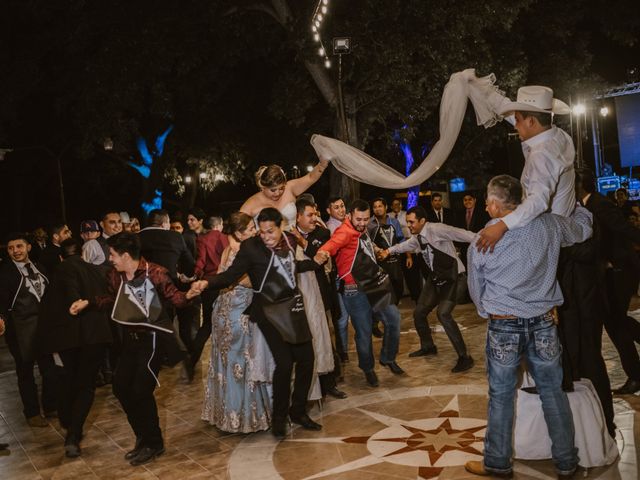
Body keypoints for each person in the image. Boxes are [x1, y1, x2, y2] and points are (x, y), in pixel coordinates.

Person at [464, 175, 590, 478]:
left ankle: (497, 463)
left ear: (494, 205)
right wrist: (581, 205)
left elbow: (475, 289)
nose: (484, 205)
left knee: (501, 397)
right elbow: (583, 231)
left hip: (504, 326)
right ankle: (566, 463)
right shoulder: (549, 224)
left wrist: (490, 312)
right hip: (544, 323)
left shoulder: (482, 238)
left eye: (486, 201)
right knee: (553, 394)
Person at [69, 233, 205, 466]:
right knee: (121, 388)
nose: (110, 259)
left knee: (141, 390)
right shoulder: (115, 276)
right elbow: (110, 300)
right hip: (129, 340)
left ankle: (154, 442)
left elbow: (176, 299)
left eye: (112, 254)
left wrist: (190, 294)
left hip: (153, 339)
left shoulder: (156, 273)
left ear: (124, 255)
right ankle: (142, 438)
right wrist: (88, 302)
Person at [201, 208, 325, 438]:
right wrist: (206, 284)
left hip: (292, 308)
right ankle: (279, 419)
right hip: (267, 312)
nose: (266, 236)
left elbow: (289, 268)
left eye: (271, 231)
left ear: (281, 227)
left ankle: (298, 411)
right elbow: (230, 276)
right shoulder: (250, 248)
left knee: (307, 359)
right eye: (262, 231)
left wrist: (314, 263)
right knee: (285, 363)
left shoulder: (289, 240)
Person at [38, 238, 112, 457]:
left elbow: (49, 311)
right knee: (86, 385)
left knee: (67, 380)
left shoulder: (56, 273)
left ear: (61, 256)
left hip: (66, 339)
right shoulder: (97, 271)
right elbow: (106, 299)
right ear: (82, 254)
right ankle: (74, 432)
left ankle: (69, 423)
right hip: (95, 336)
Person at [319, 199, 404, 387]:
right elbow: (332, 245)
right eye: (359, 219)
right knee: (364, 333)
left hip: (373, 284)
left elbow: (365, 244)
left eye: (366, 219)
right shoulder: (344, 231)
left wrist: (377, 249)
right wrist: (323, 253)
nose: (363, 223)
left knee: (394, 318)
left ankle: (388, 358)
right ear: (349, 216)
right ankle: (368, 369)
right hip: (354, 291)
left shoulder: (361, 229)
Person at [380, 206, 475, 372]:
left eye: (411, 222)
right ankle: (428, 346)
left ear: (422, 221)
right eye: (407, 222)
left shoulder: (437, 229)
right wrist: (389, 250)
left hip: (454, 277)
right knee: (419, 313)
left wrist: (485, 238)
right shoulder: (417, 236)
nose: (408, 225)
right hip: (436, 278)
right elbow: (407, 245)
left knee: (443, 314)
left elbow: (463, 234)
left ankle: (464, 357)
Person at [201, 212, 273, 432]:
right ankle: (244, 418)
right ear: (239, 233)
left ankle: (225, 414)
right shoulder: (241, 253)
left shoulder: (227, 250)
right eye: (250, 229)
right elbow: (254, 282)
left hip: (224, 312)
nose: (255, 232)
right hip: (237, 315)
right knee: (241, 363)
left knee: (227, 363)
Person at [575, 169, 640, 395]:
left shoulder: (599, 204)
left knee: (615, 322)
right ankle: (636, 375)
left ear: (580, 185)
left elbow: (622, 229)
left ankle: (636, 375)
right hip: (609, 271)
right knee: (615, 322)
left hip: (619, 271)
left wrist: (614, 260)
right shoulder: (586, 205)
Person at [0, 233, 57, 427]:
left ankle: (50, 406)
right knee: (25, 372)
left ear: (28, 248)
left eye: (19, 246)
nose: (15, 251)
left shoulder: (40, 268)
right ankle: (32, 413)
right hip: (19, 330)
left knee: (49, 370)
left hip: (44, 327)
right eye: (11, 248)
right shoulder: (5, 273)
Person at [294, 197, 346, 399]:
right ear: (297, 217)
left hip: (320, 291)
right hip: (298, 294)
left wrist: (302, 241)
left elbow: (320, 257)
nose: (314, 218)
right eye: (309, 215)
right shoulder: (286, 238)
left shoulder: (322, 233)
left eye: (315, 214)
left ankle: (329, 381)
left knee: (324, 335)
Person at [240, 162, 329, 230]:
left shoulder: (289, 188)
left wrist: (322, 164)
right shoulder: (251, 204)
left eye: (281, 188)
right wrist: (233, 242)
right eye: (273, 190)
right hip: (264, 250)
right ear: (263, 187)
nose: (278, 193)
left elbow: (310, 177)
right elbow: (236, 226)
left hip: (293, 242)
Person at [368, 198, 406, 338]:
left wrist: (408, 256)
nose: (377, 209)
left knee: (398, 289)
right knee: (382, 294)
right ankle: (376, 323)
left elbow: (401, 239)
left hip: (395, 261)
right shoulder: (370, 224)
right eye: (375, 206)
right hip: (379, 264)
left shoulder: (394, 222)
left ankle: (391, 316)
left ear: (385, 207)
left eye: (380, 206)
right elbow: (367, 243)